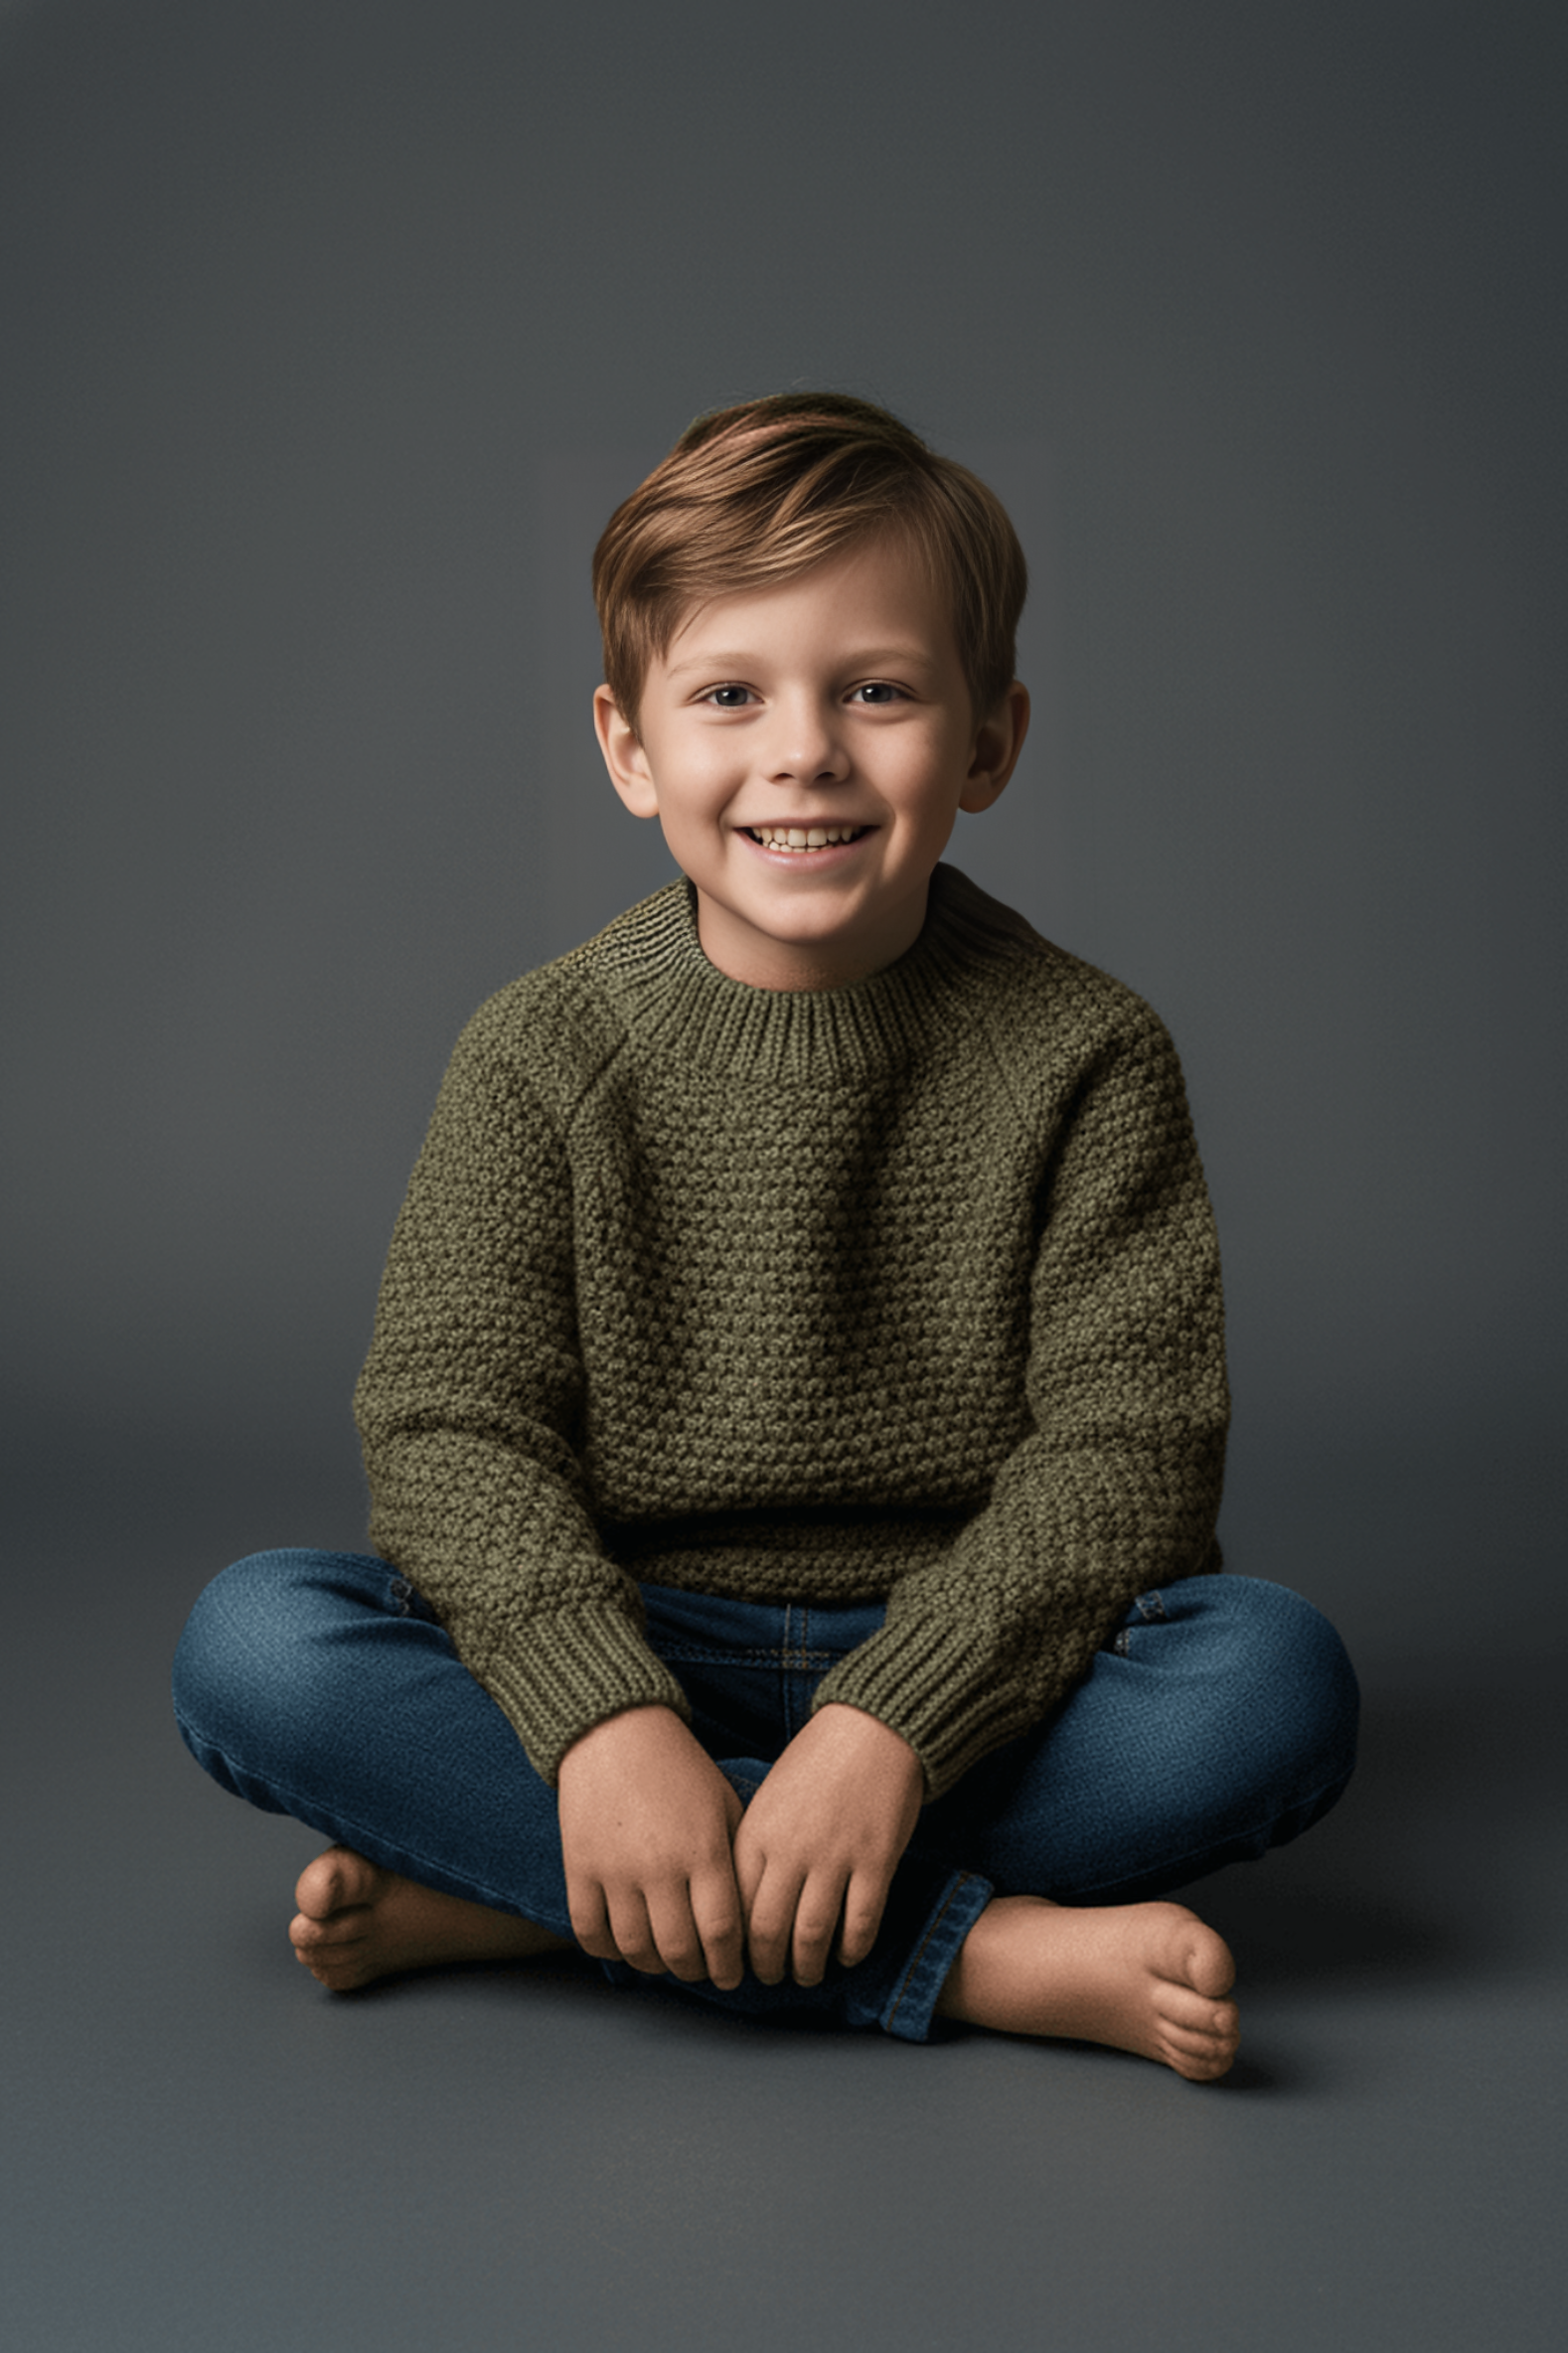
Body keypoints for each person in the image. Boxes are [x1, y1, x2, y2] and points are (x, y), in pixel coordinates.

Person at [172, 392, 1358, 2081]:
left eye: (874, 691)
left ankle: (548, 1905)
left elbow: (1130, 1455)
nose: (802, 749)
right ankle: (967, 1957)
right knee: (255, 1647)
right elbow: (450, 1426)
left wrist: (891, 1719)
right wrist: (603, 1716)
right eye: (729, 694)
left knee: (1268, 1685)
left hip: (971, 1682)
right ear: (631, 745)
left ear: (989, 741)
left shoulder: (1085, 1051)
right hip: (632, 1633)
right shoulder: (541, 1049)